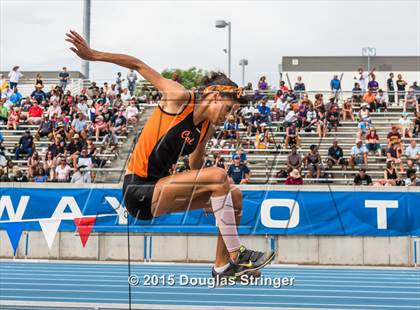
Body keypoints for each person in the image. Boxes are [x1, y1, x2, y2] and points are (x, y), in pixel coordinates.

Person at [66, 30, 274, 278]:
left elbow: (195, 160)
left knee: (234, 195)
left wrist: (211, 191)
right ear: (215, 96)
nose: (227, 116)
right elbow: (138, 64)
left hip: (161, 189)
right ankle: (237, 254)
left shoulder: (207, 126)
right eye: (228, 109)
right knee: (219, 177)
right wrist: (93, 55)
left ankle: (222, 266)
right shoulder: (179, 97)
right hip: (138, 190)